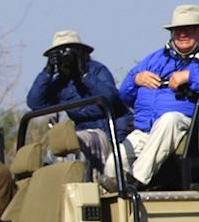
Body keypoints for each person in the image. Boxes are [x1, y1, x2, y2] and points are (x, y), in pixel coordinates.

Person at [102, 5, 199, 191]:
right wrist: (136, 79)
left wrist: (189, 76)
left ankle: (137, 181)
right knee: (114, 165)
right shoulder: (156, 58)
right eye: (178, 30)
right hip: (147, 128)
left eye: (189, 29)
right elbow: (124, 94)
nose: (183, 34)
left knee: (169, 119)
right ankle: (118, 205)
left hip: (186, 123)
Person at [27, 29, 129, 176]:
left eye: (69, 52)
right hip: (82, 134)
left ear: (81, 52)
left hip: (109, 134)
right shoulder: (60, 82)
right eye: (59, 54)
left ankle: (83, 185)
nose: (65, 58)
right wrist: (47, 72)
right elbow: (35, 103)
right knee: (58, 146)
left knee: (77, 142)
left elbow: (110, 98)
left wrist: (84, 75)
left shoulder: (96, 70)